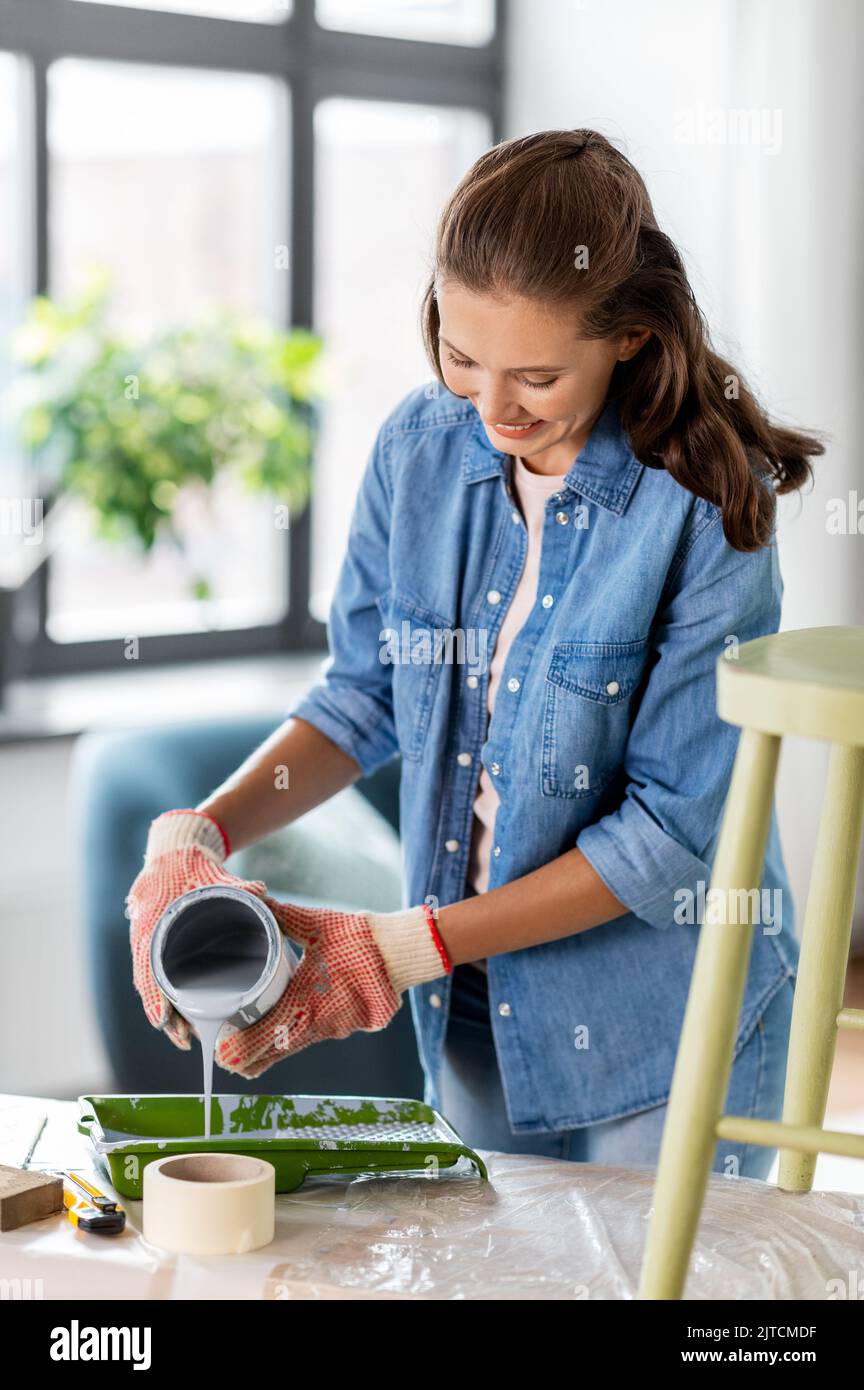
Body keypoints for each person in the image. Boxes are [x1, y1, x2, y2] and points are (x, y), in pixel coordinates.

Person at [126, 129, 824, 1178]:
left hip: (660, 1030)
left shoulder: (704, 507)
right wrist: (199, 830)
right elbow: (363, 696)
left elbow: (666, 836)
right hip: (468, 1024)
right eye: (460, 357)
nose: (489, 409)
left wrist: (398, 948)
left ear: (628, 336)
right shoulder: (416, 449)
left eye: (535, 376)